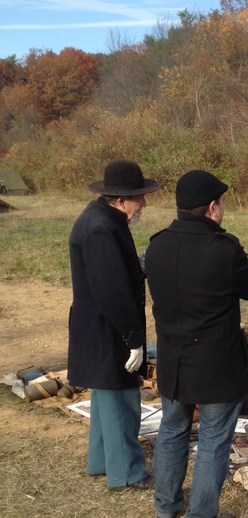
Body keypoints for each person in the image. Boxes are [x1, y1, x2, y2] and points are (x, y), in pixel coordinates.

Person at [144, 169, 248, 518]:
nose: (223, 209)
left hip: (173, 361)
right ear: (212, 207)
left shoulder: (156, 246)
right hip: (214, 364)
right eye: (222, 203)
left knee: (172, 430)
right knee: (212, 440)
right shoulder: (224, 249)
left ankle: (166, 506)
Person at [68, 159, 159, 491]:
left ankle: (102, 461)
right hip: (108, 328)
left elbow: (116, 271)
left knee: (105, 397)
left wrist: (142, 265)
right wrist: (133, 337)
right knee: (121, 399)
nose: (144, 203)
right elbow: (111, 290)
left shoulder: (104, 219)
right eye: (140, 197)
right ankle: (128, 474)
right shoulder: (100, 229)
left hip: (99, 326)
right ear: (121, 200)